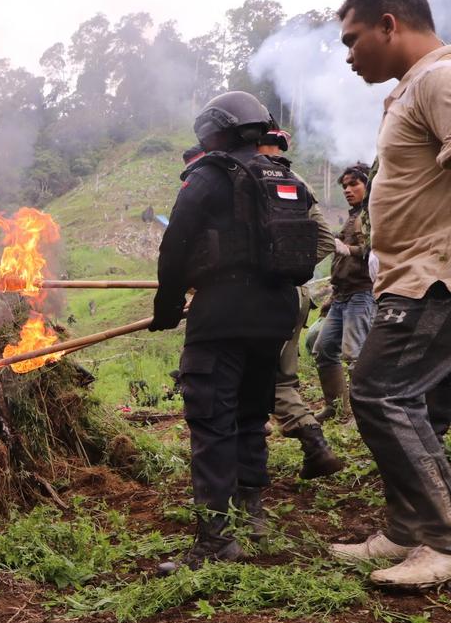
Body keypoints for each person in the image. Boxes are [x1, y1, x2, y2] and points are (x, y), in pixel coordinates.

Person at [327, 0, 451, 588]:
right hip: (410, 276)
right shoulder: (410, 89)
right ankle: (408, 528)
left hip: (434, 279)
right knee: (422, 405)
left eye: (353, 39)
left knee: (380, 392)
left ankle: (440, 539)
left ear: (389, 24)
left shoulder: (440, 79)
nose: (349, 55)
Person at [150, 91, 303, 573]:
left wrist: (169, 304)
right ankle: (252, 512)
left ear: (212, 131)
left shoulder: (209, 175)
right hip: (274, 316)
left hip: (222, 315)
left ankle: (215, 540)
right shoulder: (284, 175)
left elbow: (176, 243)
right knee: (251, 411)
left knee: (212, 419)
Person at [257, 127, 344, 479]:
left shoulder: (248, 176)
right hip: (295, 295)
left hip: (261, 296)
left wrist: (266, 271)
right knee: (282, 375)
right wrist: (295, 269)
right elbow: (325, 239)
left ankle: (251, 462)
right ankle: (313, 446)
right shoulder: (297, 182)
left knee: (250, 374)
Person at [310, 163, 375, 424]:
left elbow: (380, 249)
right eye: (345, 186)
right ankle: (336, 407)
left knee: (355, 354)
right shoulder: (352, 216)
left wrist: (350, 250)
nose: (348, 190)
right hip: (341, 295)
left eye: (354, 184)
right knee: (324, 348)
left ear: (368, 184)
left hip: (362, 293)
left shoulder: (373, 213)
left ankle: (363, 415)